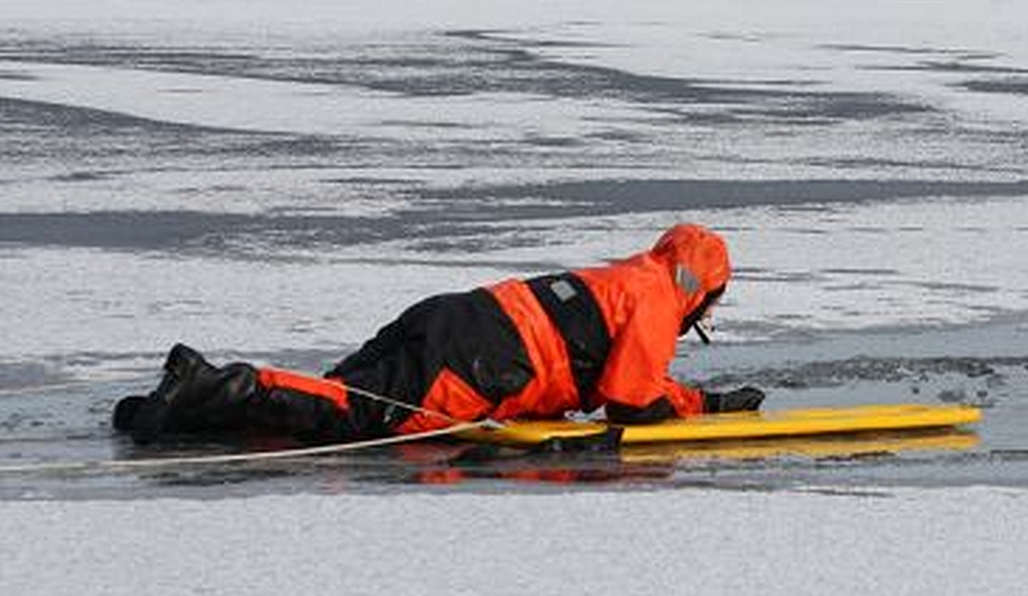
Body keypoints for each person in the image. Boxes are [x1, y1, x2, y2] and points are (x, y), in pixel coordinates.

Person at [113, 223, 766, 445]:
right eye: (711, 302)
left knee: (331, 397)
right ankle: (215, 381)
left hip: (458, 313)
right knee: (360, 414)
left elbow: (630, 373)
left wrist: (700, 401)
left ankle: (177, 411)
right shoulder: (657, 300)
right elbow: (631, 400)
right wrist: (690, 416)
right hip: (480, 360)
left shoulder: (628, 277)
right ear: (700, 287)